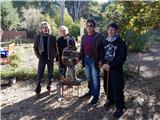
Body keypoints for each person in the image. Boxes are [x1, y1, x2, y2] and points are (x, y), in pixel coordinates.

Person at [101, 23, 127, 118]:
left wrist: (110, 65)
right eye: (109, 29)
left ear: (116, 31)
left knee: (117, 88)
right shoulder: (106, 41)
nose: (110, 31)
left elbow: (122, 57)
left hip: (115, 69)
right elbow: (102, 53)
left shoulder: (121, 42)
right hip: (106, 68)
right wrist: (103, 63)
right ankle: (111, 100)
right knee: (107, 86)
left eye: (112, 29)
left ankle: (120, 107)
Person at [79, 19, 105, 105]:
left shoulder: (99, 37)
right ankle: (91, 91)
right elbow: (81, 49)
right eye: (88, 26)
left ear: (94, 27)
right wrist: (80, 58)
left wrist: (101, 60)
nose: (89, 27)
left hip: (95, 60)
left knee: (95, 79)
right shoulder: (84, 37)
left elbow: (103, 50)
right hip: (86, 60)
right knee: (89, 77)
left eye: (91, 26)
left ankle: (96, 96)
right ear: (86, 27)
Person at [34, 21, 58, 98]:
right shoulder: (38, 37)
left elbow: (56, 49)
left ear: (48, 28)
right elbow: (35, 47)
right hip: (42, 59)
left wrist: (54, 56)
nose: (45, 29)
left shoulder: (53, 37)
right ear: (42, 29)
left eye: (46, 27)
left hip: (50, 59)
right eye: (44, 27)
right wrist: (38, 56)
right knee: (39, 75)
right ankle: (37, 91)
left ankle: (49, 88)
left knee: (50, 75)